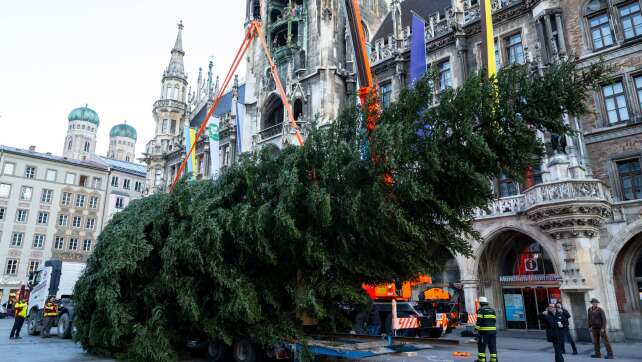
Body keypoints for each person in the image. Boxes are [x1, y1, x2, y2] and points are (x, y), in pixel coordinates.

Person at [475, 296, 497, 362]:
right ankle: (493, 360)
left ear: (481, 303)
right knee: (492, 346)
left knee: (482, 346)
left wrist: (476, 329)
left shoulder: (481, 310)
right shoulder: (492, 310)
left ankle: (481, 360)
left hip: (483, 332)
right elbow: (494, 320)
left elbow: (479, 320)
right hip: (493, 332)